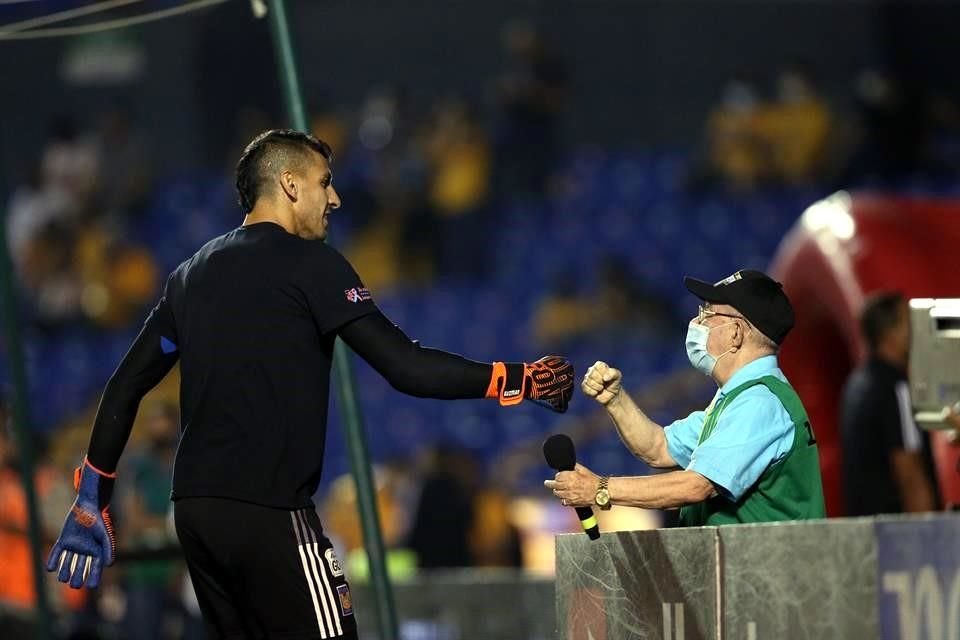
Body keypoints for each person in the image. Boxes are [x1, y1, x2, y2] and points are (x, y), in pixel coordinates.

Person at [46, 129, 574, 639]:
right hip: (270, 511)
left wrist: (92, 497)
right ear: (290, 185)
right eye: (325, 182)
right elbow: (406, 367)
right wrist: (519, 379)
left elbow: (125, 385)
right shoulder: (312, 265)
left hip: (198, 514)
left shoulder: (190, 274)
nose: (336, 198)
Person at [545, 270, 825, 526]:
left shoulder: (759, 403)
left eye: (708, 314)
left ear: (736, 333)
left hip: (768, 574)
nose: (697, 321)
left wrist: (600, 490)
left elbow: (696, 485)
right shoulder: (737, 399)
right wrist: (615, 400)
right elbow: (658, 447)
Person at [839, 291, 939, 515]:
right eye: (909, 321)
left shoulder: (856, 384)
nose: (916, 329)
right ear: (890, 332)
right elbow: (910, 473)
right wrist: (929, 538)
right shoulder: (896, 388)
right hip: (899, 535)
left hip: (868, 532)